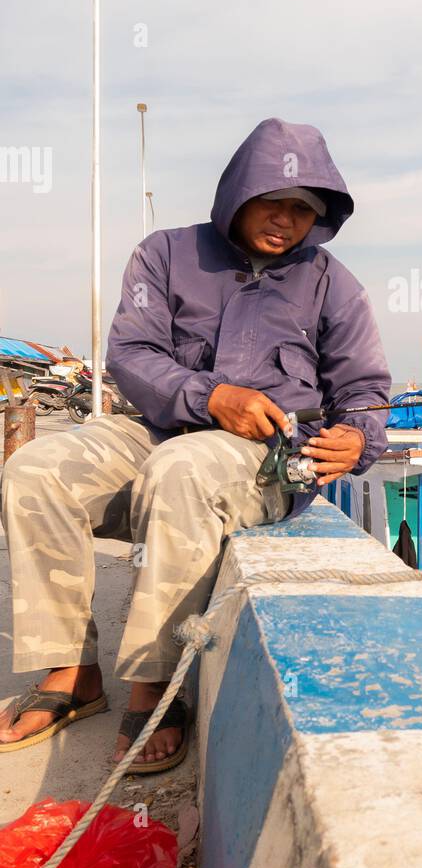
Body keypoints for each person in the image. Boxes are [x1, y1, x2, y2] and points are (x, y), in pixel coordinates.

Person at [0, 120, 391, 772]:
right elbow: (131, 354)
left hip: (260, 456)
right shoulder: (165, 253)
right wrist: (209, 398)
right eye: (274, 201)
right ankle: (70, 675)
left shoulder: (333, 284)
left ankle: (158, 685)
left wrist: (358, 437)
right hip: (154, 427)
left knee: (182, 470)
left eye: (304, 210)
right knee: (36, 469)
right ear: (239, 192)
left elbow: (365, 393)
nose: (287, 220)